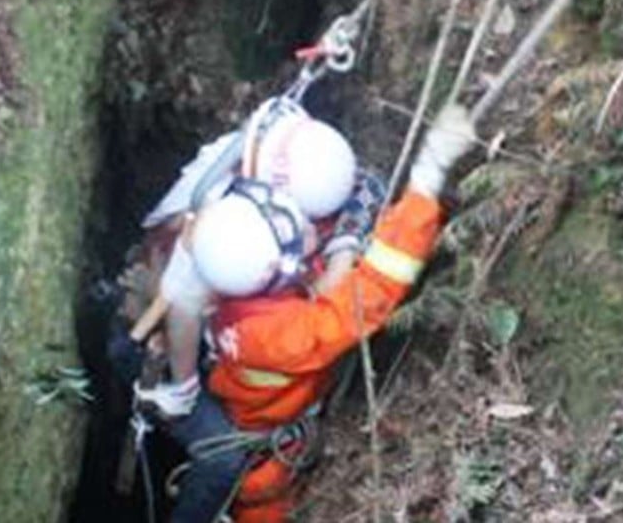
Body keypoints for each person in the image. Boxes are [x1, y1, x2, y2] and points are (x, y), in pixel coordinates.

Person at [170, 103, 477, 522]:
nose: (307, 229)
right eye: (297, 234)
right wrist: (426, 180)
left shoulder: (237, 287)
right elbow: (368, 293)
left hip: (260, 435)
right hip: (265, 475)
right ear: (277, 269)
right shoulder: (280, 336)